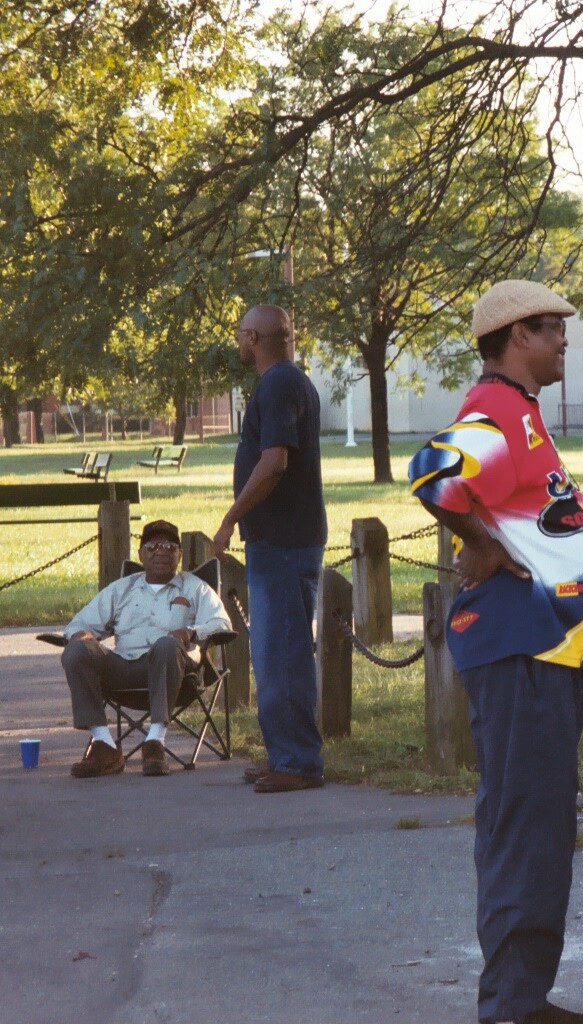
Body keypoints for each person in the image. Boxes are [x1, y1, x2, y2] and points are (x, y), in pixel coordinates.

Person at [408, 280, 583, 1024]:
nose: (563, 341)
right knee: (527, 823)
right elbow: (434, 472)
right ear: (516, 335)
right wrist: (481, 542)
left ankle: (525, 996)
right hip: (522, 646)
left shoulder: (519, 413)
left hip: (543, 649)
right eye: (553, 328)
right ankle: (515, 1005)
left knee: (538, 821)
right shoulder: (497, 409)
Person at [212, 303, 329, 795]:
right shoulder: (290, 382)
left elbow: (276, 461)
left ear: (255, 338)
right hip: (285, 539)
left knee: (281, 653)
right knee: (280, 650)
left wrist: (230, 518)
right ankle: (286, 753)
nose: (238, 342)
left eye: (241, 334)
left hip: (281, 541)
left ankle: (298, 762)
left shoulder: (279, 384)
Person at [61, 519, 231, 778]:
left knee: (166, 644)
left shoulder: (196, 588)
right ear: (140, 555)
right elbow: (78, 624)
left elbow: (222, 623)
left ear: (180, 554)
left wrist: (192, 632)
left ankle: (155, 742)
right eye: (152, 546)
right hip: (124, 668)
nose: (160, 551)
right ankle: (104, 744)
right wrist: (81, 635)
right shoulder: (122, 589)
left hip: (177, 675)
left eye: (168, 546)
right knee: (76, 651)